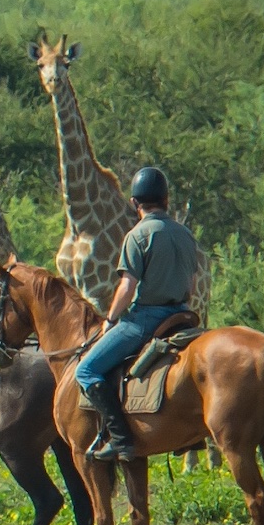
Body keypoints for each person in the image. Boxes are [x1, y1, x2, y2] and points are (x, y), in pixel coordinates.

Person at [75, 167, 199, 463]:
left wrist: (110, 320)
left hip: (147, 319)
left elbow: (127, 286)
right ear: (166, 200)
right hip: (183, 315)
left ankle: (120, 439)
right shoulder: (184, 234)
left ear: (134, 203)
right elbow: (191, 286)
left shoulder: (137, 235)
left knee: (86, 370)